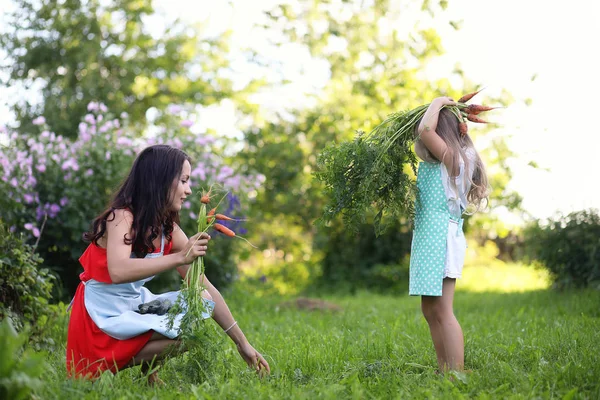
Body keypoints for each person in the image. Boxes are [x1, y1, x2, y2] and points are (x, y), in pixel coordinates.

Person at [66, 144, 270, 384]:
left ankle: (147, 372)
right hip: (100, 316)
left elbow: (204, 287)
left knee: (200, 302)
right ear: (160, 180)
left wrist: (242, 343)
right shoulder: (122, 216)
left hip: (131, 305)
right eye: (183, 181)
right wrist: (179, 257)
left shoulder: (167, 230)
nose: (189, 190)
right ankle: (105, 362)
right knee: (89, 374)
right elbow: (118, 271)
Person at [410, 97, 489, 372]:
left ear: (442, 131)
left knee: (443, 311)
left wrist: (435, 103)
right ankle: (445, 368)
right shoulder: (447, 158)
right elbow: (423, 137)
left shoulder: (454, 159)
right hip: (430, 235)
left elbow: (424, 132)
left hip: (440, 237)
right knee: (430, 310)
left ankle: (456, 371)